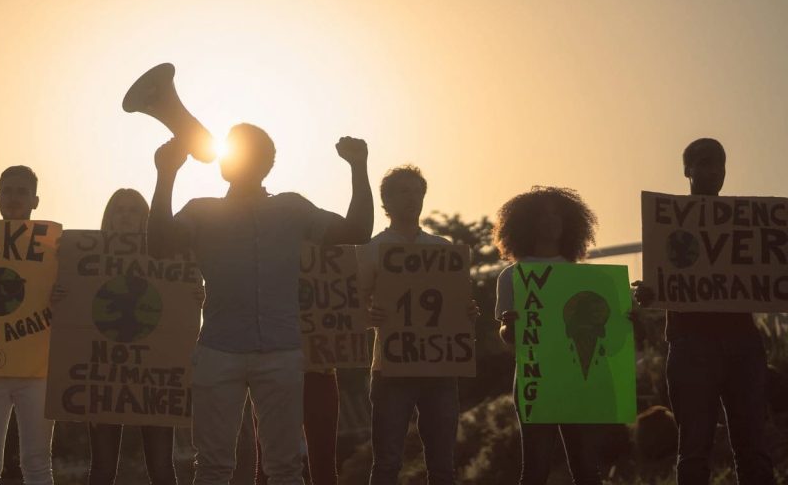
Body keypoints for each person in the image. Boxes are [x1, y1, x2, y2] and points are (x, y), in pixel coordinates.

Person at [147, 123, 373, 485]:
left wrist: (359, 166)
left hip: (279, 353)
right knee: (213, 467)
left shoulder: (292, 208)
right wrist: (166, 174)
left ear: (266, 163)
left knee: (283, 466)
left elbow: (358, 232)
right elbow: (158, 245)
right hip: (220, 351)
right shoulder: (200, 211)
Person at [632, 138, 775, 484]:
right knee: (694, 452)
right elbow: (662, 282)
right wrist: (649, 292)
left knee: (753, 449)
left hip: (742, 343)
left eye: (720, 165)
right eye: (706, 163)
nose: (715, 171)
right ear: (687, 170)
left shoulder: (748, 226)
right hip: (692, 344)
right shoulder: (668, 226)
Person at [357, 165, 479, 485]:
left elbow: (455, 304)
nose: (412, 199)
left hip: (439, 366)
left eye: (417, 192)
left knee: (442, 465)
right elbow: (350, 305)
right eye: (403, 192)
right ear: (387, 200)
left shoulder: (442, 247)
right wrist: (366, 317)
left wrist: (467, 313)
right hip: (390, 367)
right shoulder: (371, 250)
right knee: (387, 463)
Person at [494, 186, 604, 485]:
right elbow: (507, 334)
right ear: (527, 223)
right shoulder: (512, 275)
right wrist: (510, 327)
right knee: (535, 469)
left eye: (556, 214)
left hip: (577, 378)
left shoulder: (580, 275)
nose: (551, 221)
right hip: (534, 377)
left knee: (586, 470)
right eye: (542, 215)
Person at [0, 165, 54, 485]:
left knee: (38, 465)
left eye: (22, 191)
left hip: (37, 370)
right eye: (9, 191)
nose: (15, 198)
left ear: (35, 200)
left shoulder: (53, 249)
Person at [86, 188, 179, 485]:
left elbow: (179, 313)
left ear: (146, 220)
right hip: (103, 373)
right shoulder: (85, 261)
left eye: (133, 211)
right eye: (119, 211)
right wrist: (61, 296)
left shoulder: (168, 260)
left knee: (163, 469)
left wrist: (195, 297)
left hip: (154, 376)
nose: (125, 217)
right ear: (109, 219)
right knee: (102, 470)